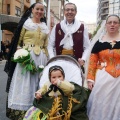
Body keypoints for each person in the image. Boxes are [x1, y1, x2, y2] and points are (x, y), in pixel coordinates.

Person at [4, 2, 49, 120]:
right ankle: (23, 110)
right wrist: (22, 55)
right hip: (27, 57)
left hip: (41, 59)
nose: (39, 11)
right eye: (37, 9)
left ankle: (37, 109)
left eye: (42, 10)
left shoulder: (45, 27)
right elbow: (18, 43)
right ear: (32, 10)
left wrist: (48, 60)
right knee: (25, 83)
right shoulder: (26, 24)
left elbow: (46, 45)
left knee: (39, 82)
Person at [23, 65, 89, 120]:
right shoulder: (48, 84)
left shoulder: (65, 83)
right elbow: (43, 89)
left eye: (59, 76)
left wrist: (60, 83)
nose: (57, 79)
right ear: (49, 78)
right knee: (41, 106)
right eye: (53, 77)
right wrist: (39, 93)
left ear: (63, 76)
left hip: (63, 99)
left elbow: (70, 89)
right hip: (51, 100)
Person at [86, 14, 120, 120]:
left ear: (119, 25)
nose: (112, 25)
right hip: (102, 78)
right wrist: (90, 79)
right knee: (101, 102)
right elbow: (92, 61)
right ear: (106, 25)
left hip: (118, 81)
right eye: (110, 22)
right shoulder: (99, 42)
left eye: (115, 22)